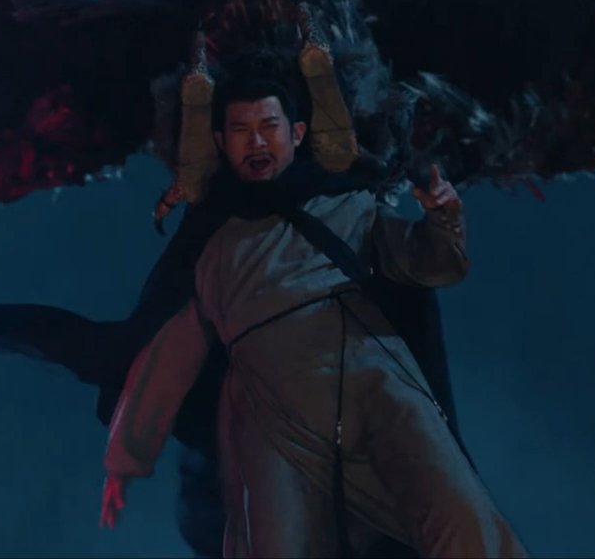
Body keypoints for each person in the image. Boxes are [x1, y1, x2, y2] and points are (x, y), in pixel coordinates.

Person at [97, 74, 525, 558]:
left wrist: (443, 218)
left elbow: (425, 263)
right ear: (221, 142)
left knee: (461, 517)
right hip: (272, 410)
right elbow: (173, 354)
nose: (257, 142)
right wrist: (125, 460)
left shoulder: (346, 206)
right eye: (241, 130)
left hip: (370, 378)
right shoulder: (212, 249)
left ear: (296, 133)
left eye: (268, 126)